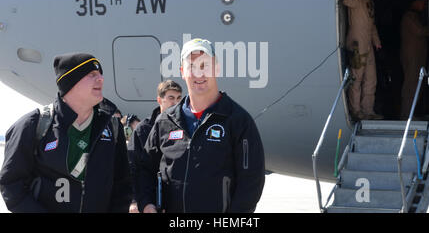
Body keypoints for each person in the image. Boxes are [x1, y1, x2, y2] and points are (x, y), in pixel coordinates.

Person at [135, 38, 265, 213]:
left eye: (205, 66)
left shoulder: (238, 120)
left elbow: (251, 181)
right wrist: (147, 202)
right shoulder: (166, 121)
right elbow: (145, 167)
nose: (199, 74)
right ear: (182, 72)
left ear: (217, 68)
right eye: (191, 67)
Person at [0, 53, 132, 212]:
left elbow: (122, 184)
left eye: (100, 74)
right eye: (92, 75)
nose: (101, 79)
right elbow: (11, 185)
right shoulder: (33, 125)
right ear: (71, 82)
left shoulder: (111, 125)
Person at [128, 80, 182, 213]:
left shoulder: (183, 128)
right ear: (159, 100)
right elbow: (133, 166)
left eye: (178, 98)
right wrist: (135, 200)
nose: (175, 102)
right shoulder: (143, 129)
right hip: (150, 198)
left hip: (174, 199)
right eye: (171, 98)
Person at [343, 0, 383, 120]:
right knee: (357, 79)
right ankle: (355, 110)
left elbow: (372, 25)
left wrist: (376, 41)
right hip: (357, 45)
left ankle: (368, 110)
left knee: (371, 79)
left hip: (368, 46)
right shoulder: (357, 0)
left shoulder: (370, 2)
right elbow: (346, 0)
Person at [400, 0, 429, 119]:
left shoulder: (415, 16)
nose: (424, 5)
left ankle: (411, 113)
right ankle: (406, 115)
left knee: (418, 84)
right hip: (412, 57)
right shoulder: (408, 17)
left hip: (417, 57)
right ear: (415, 2)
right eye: (422, 2)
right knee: (411, 86)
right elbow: (420, 31)